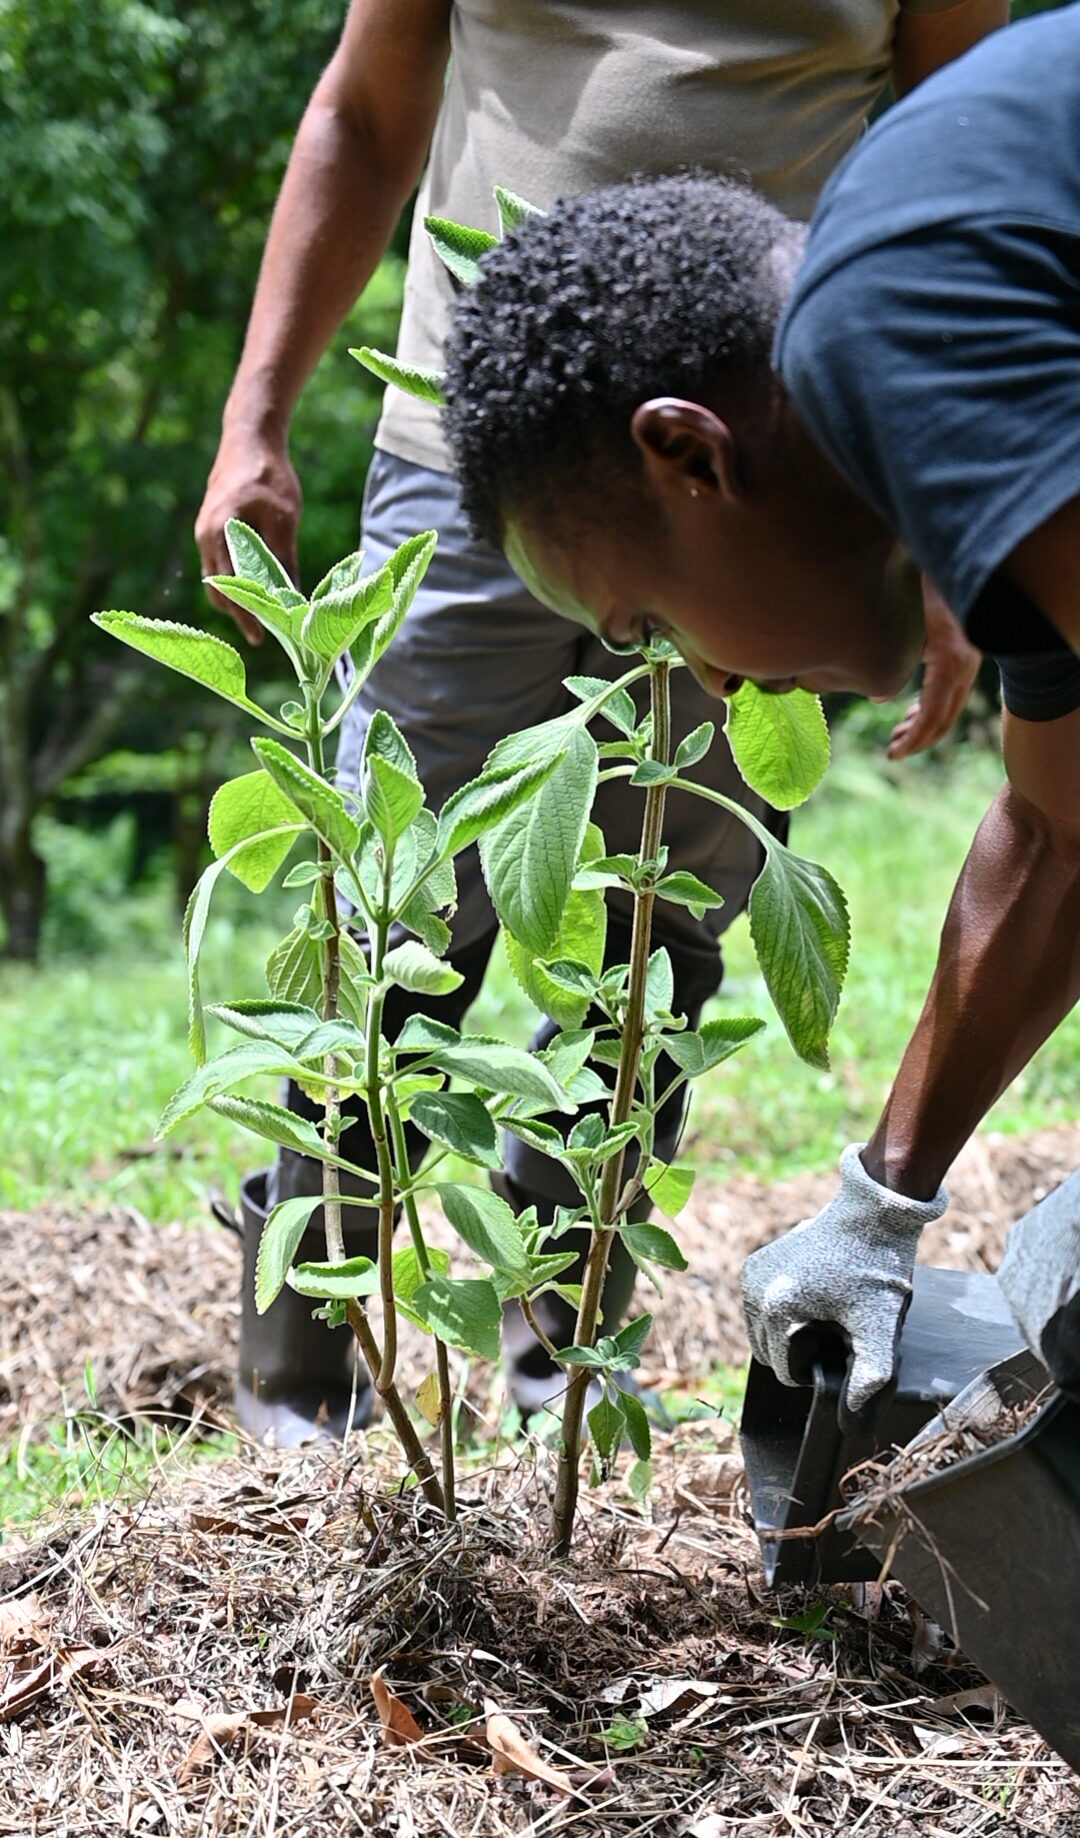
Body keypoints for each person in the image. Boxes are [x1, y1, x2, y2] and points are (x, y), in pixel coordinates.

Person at [196, 0, 997, 1443]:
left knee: (656, 928)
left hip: (771, 481)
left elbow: (950, 172)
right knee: (389, 903)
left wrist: (936, 504)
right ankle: (304, 1361)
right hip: (470, 456)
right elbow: (366, 116)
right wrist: (257, 415)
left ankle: (567, 1352)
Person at [436, 2, 1080, 1422]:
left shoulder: (904, 327)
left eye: (650, 622)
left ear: (689, 458)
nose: (704, 681)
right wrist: (880, 1204)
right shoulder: (949, 342)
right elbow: (1057, 835)